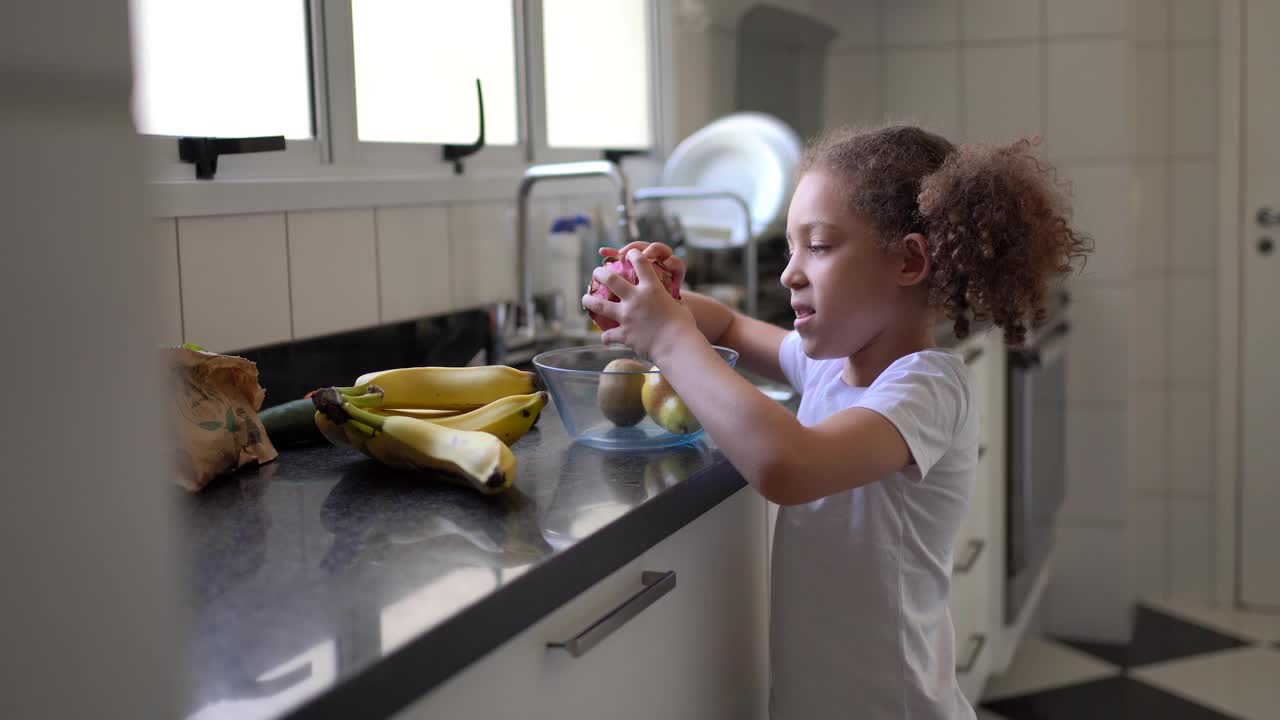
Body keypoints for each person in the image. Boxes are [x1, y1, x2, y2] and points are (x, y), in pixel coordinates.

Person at [581, 124, 1093, 719]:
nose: (789, 273)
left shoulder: (926, 388)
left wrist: (667, 337)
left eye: (818, 247)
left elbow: (788, 466)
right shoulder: (830, 369)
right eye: (790, 249)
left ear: (907, 260)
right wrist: (655, 296)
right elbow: (722, 327)